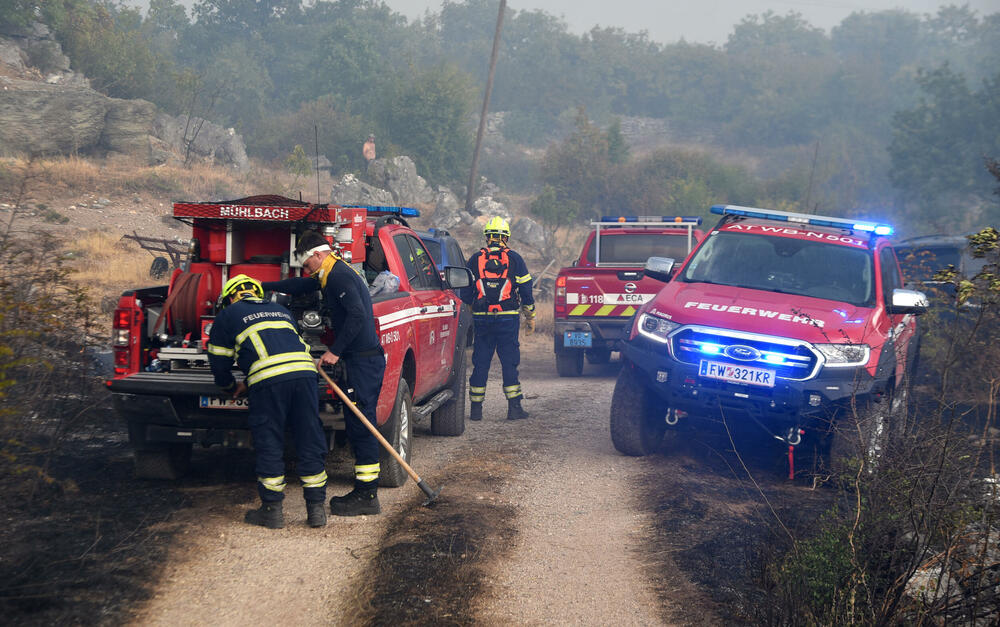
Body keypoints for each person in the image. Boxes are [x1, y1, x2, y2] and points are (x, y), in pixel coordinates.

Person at [263, 231, 385, 516]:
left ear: (318, 255)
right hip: (358, 360)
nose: (307, 270)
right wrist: (263, 285)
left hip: (362, 362)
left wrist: (335, 351)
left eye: (307, 264)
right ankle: (365, 492)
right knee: (358, 423)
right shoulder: (331, 271)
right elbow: (301, 284)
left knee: (361, 425)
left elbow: (357, 315)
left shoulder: (340, 276)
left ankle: (367, 495)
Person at [206, 274, 328, 529]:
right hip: (305, 375)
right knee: (309, 437)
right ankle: (316, 509)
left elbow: (219, 362)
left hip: (268, 383)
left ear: (230, 296)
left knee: (270, 439)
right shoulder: (279, 310)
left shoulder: (227, 315)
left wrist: (231, 387)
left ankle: (272, 511)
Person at [463, 216, 535, 421]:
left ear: (487, 237)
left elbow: (466, 292)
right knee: (509, 362)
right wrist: (530, 316)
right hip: (507, 318)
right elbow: (526, 291)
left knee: (481, 362)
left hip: (482, 319)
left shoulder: (475, 259)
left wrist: (472, 312)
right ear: (506, 237)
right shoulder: (515, 259)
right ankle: (514, 409)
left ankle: (475, 411)